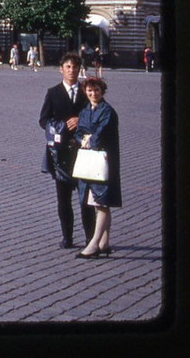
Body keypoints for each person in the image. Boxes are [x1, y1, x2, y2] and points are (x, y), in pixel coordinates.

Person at [39, 52, 96, 250]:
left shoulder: (86, 91)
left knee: (85, 199)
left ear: (80, 70)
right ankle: (67, 236)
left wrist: (81, 120)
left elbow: (95, 114)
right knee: (63, 199)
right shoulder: (53, 92)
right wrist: (59, 126)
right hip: (61, 154)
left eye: (75, 67)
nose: (72, 71)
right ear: (61, 70)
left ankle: (90, 238)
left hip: (82, 152)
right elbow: (43, 119)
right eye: (68, 67)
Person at [74, 76, 121, 258]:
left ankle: (94, 244)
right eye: (90, 91)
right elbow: (79, 132)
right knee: (99, 201)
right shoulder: (86, 110)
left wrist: (88, 140)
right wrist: (83, 139)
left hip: (103, 160)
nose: (93, 94)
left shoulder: (107, 111)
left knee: (101, 201)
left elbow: (101, 134)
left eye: (96, 91)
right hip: (90, 160)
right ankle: (104, 242)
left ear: (102, 92)